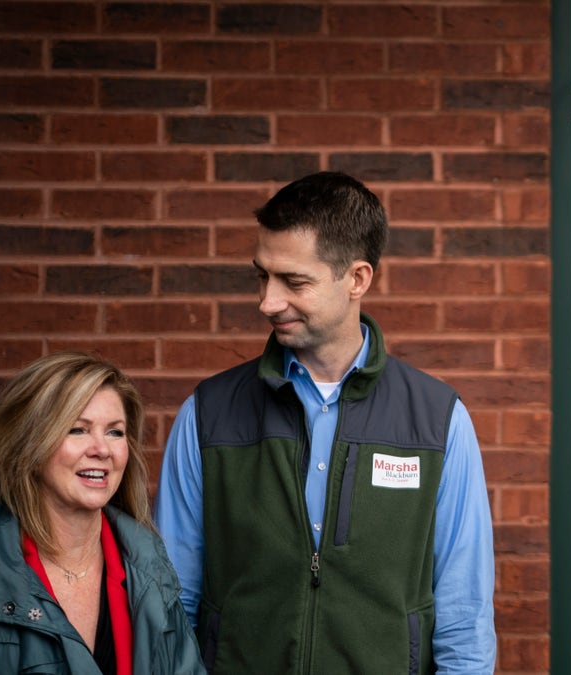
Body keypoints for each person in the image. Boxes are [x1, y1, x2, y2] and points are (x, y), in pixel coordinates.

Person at [154, 171, 496, 673]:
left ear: (357, 279)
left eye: (294, 282)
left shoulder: (438, 421)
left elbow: (464, 617)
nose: (267, 302)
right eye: (262, 276)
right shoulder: (207, 415)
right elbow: (173, 604)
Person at [0, 352, 203, 674]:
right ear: (29, 444)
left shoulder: (149, 561)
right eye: (78, 430)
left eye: (115, 432)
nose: (102, 449)